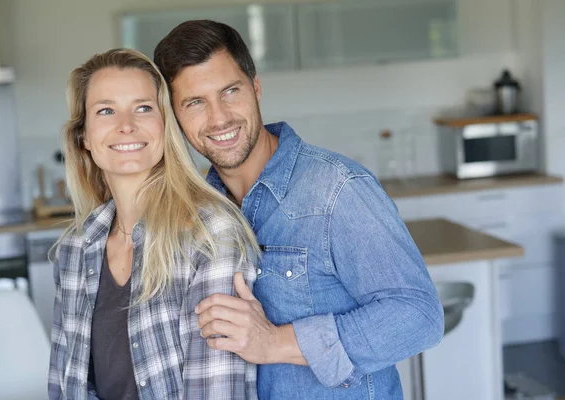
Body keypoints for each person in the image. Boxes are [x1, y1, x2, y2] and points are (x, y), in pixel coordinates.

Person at [153, 20, 445, 399]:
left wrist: (274, 342)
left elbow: (419, 317)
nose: (219, 117)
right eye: (195, 103)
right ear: (176, 118)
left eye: (230, 91)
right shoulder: (196, 215)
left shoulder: (337, 191)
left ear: (256, 88)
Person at [48, 48, 260, 400]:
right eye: (105, 110)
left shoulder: (209, 233)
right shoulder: (74, 249)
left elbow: (218, 388)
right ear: (83, 137)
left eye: (143, 107)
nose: (126, 125)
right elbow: (65, 384)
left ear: (166, 125)